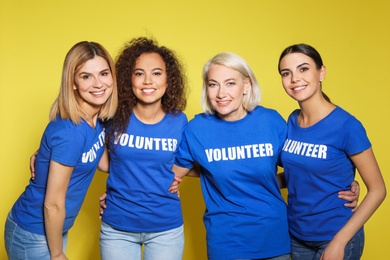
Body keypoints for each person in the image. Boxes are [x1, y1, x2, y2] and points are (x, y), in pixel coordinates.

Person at [170, 52, 291, 260]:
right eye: (213, 84)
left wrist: (344, 183)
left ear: (246, 85)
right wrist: (119, 193)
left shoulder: (271, 121)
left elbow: (302, 170)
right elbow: (168, 175)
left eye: (230, 83)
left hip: (275, 238)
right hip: (226, 243)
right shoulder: (197, 129)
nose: (221, 93)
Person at [5, 41, 118, 260]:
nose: (98, 83)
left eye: (103, 73)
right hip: (33, 232)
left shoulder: (96, 122)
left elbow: (103, 163)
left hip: (53, 228)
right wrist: (57, 254)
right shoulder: (70, 133)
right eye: (86, 76)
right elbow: (53, 203)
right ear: (73, 83)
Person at [277, 43, 386, 260]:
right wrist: (248, 182)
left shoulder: (346, 125)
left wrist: (340, 242)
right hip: (296, 235)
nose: (294, 78)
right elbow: (297, 174)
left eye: (303, 69)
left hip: (335, 236)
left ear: (321, 73)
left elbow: (378, 190)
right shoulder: (291, 121)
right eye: (286, 73)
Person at [98, 37, 188, 260]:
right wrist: (44, 152)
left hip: (165, 228)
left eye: (157, 73)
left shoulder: (180, 121)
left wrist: (178, 174)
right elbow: (91, 150)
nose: (148, 81)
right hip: (118, 227)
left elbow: (192, 161)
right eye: (139, 73)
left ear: (169, 79)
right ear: (129, 79)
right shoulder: (113, 116)